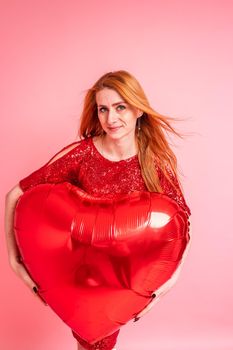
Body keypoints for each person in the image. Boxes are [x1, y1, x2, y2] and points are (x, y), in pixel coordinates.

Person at [5, 70, 191, 350]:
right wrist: (13, 259)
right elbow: (15, 196)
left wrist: (166, 286)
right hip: (80, 277)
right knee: (92, 341)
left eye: (120, 107)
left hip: (126, 280)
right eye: (103, 109)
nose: (111, 119)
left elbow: (182, 223)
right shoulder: (82, 154)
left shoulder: (154, 163)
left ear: (138, 109)